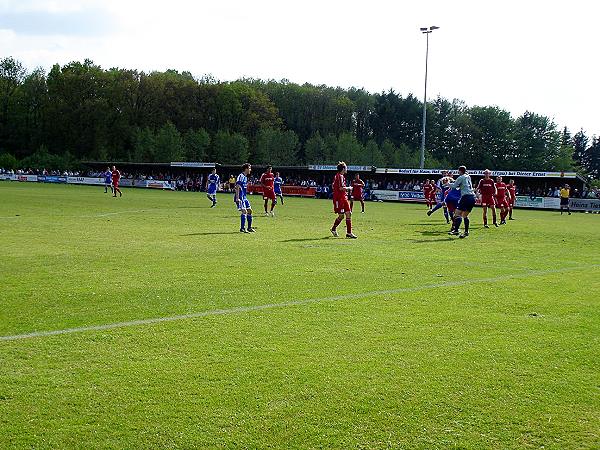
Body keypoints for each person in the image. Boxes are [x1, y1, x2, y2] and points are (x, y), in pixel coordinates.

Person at [330, 161, 357, 239]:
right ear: (343, 168)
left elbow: (334, 186)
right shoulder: (339, 176)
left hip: (343, 198)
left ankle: (349, 233)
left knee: (348, 213)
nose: (347, 169)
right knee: (341, 216)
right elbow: (341, 188)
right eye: (346, 167)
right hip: (339, 199)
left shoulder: (340, 176)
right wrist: (349, 188)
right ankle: (333, 229)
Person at [449, 166, 476, 238]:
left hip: (466, 197)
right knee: (465, 215)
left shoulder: (461, 177)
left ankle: (456, 230)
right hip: (472, 197)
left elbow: (454, 186)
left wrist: (447, 183)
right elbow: (461, 185)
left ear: (460, 171)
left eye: (458, 171)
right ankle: (466, 232)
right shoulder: (468, 176)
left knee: (457, 214)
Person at [234, 163, 255, 233]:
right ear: (246, 169)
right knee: (244, 211)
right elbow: (237, 187)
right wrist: (237, 198)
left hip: (244, 197)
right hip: (240, 197)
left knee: (250, 211)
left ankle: (249, 228)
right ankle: (242, 228)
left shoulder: (245, 177)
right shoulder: (241, 176)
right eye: (249, 168)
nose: (250, 170)